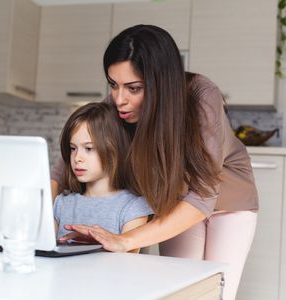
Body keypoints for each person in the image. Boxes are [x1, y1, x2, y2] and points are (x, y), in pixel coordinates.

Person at [51, 25, 258, 300]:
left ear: (160, 82)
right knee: (180, 290)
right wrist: (40, 219)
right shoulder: (116, 103)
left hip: (228, 204)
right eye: (113, 84)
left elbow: (203, 196)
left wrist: (125, 240)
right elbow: (61, 168)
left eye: (134, 88)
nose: (120, 99)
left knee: (217, 291)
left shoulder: (201, 97)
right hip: (175, 201)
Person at [53, 102, 153, 253]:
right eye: (73, 148)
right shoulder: (61, 204)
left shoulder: (133, 207)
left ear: (114, 150)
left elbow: (129, 262)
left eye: (89, 148)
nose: (77, 158)